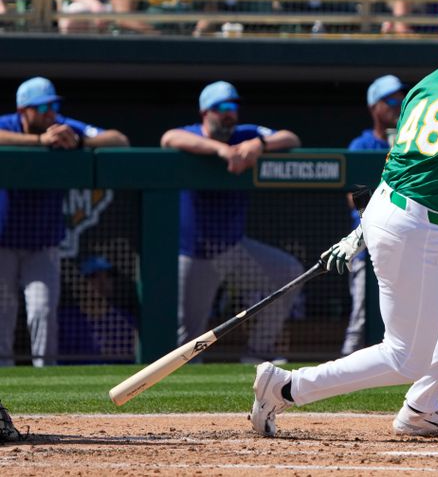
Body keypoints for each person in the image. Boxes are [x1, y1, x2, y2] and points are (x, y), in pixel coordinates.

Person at [249, 0, 438, 438]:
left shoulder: (427, 84)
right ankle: (287, 388)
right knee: (405, 356)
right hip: (416, 225)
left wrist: (363, 227)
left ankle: (421, 409)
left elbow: (402, 161)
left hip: (404, 212)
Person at [160, 80, 304, 364]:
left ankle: (257, 352)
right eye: (223, 108)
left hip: (234, 249)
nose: (230, 114)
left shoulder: (245, 134)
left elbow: (291, 138)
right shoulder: (192, 135)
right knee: (188, 341)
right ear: (206, 112)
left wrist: (258, 143)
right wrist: (220, 151)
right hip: (195, 254)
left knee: (288, 272)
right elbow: (168, 138)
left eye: (234, 107)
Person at [0, 76, 129, 367]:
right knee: (2, 316)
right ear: (23, 111)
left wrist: (81, 140)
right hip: (3, 241)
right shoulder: (8, 124)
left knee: (42, 311)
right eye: (42, 107)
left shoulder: (62, 126)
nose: (49, 113)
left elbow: (119, 139)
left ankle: (43, 381)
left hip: (43, 243)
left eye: (53, 105)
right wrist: (38, 142)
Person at [339, 74, 405, 357]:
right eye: (390, 100)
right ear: (374, 107)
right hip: (368, 245)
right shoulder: (362, 145)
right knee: (362, 319)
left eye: (402, 99)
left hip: (407, 243)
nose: (398, 105)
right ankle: (342, 368)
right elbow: (352, 197)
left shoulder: (410, 143)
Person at [58, 255, 138, 364]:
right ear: (81, 283)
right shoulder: (65, 320)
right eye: (94, 276)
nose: (103, 281)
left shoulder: (125, 321)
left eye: (108, 275)